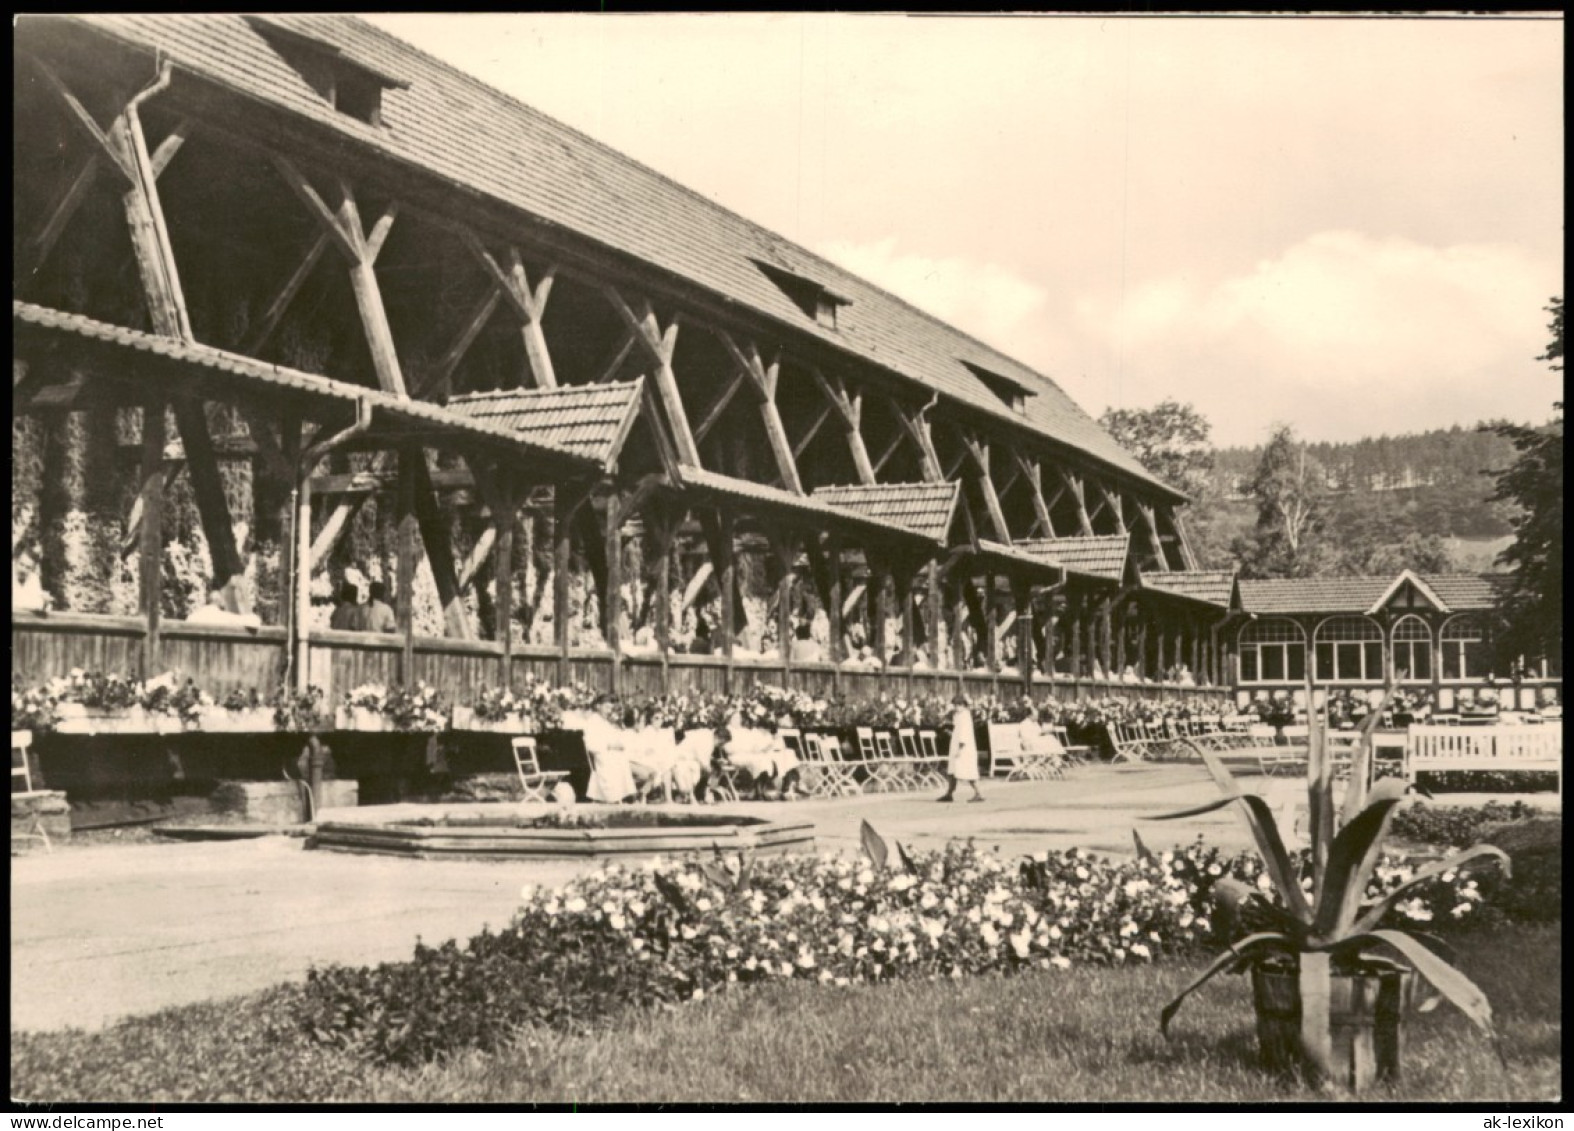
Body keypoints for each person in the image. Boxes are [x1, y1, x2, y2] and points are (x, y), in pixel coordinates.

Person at [938, 695, 983, 803]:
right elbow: (957, 730)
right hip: (956, 745)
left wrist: (960, 748)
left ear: (963, 705)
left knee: (968, 770)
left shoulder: (965, 716)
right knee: (952, 770)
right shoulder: (958, 715)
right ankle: (949, 793)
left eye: (958, 705)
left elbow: (965, 733)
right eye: (955, 705)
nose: (956, 707)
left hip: (964, 748)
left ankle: (978, 793)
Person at [187, 589, 262, 628]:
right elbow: (254, 622)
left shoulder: (193, 616)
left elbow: (187, 621)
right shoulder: (222, 617)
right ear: (220, 602)